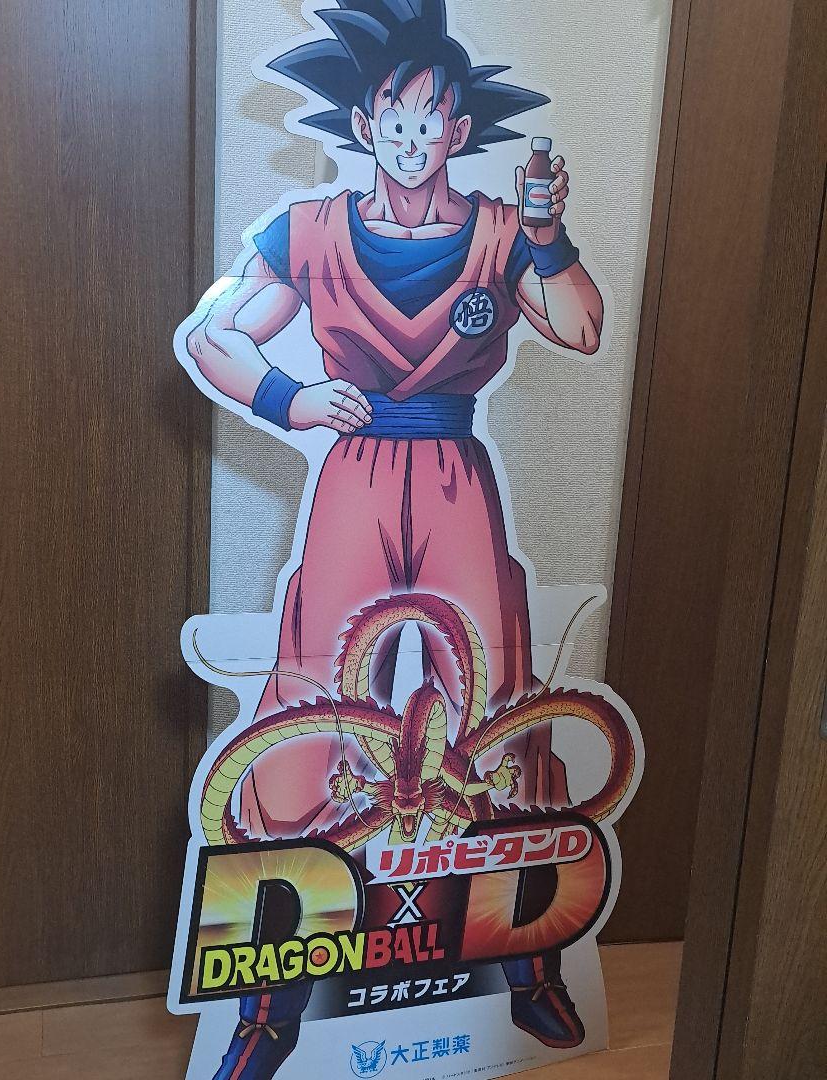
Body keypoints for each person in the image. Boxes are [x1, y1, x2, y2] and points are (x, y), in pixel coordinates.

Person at [181, 2, 605, 1075]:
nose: (414, 135)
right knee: (309, 705)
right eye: (395, 115)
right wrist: (288, 397)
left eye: (433, 117)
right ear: (366, 124)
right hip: (356, 477)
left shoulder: (499, 231)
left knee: (499, 708)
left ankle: (528, 960)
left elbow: (582, 326)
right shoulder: (308, 230)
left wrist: (548, 235)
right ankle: (270, 997)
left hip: (457, 471)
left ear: (458, 129)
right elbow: (211, 334)